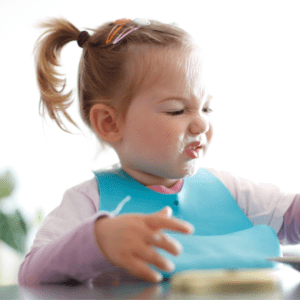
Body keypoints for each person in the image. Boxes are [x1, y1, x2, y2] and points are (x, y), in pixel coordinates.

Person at [18, 17, 299, 286]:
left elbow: (291, 217)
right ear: (109, 123)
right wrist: (98, 240)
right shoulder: (89, 202)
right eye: (176, 110)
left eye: (206, 108)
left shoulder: (231, 191)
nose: (201, 123)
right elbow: (31, 274)